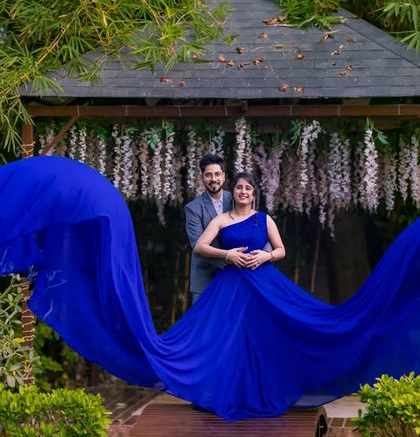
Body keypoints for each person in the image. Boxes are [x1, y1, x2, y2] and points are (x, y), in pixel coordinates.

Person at [0, 156, 419, 421]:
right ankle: (221, 392)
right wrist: (230, 257)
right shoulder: (222, 219)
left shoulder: (264, 218)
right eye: (237, 186)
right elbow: (201, 245)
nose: (241, 191)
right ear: (229, 190)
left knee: (268, 340)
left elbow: (281, 249)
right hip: (231, 287)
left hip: (264, 286)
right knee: (222, 343)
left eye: (247, 188)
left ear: (255, 193)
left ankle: (265, 392)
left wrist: (261, 257)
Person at [185, 154, 232, 303]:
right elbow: (198, 246)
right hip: (205, 274)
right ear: (202, 178)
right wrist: (229, 256)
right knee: (202, 323)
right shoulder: (193, 208)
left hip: (235, 273)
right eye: (208, 175)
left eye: (217, 174)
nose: (214, 179)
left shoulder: (237, 200)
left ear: (224, 176)